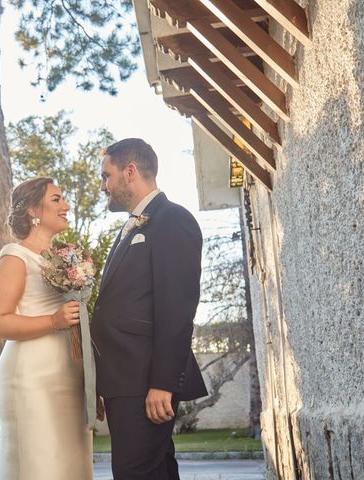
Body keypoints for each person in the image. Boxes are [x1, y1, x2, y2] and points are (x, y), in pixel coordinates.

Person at [91, 138, 208, 479]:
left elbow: (177, 307)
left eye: (106, 176)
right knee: (154, 472)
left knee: (135, 473)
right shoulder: (131, 226)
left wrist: (163, 382)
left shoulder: (172, 220)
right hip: (124, 380)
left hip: (145, 383)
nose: (103, 186)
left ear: (130, 172)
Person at [0, 176, 93, 480]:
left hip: (69, 375)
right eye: (56, 199)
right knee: (39, 464)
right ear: (33, 212)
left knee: (69, 466)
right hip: (31, 379)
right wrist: (53, 321)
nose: (66, 206)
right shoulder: (15, 258)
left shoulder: (63, 262)